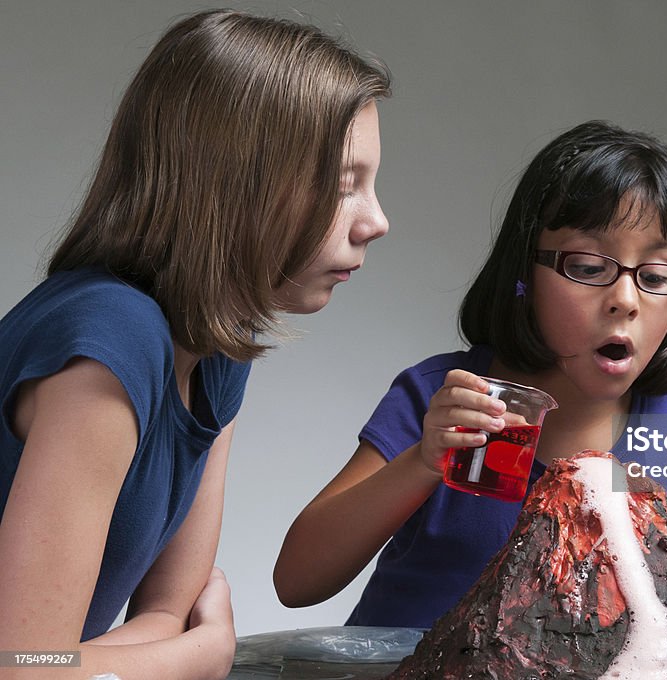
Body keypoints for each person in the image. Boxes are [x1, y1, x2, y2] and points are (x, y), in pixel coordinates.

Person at [0, 10, 390, 679]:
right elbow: (24, 667)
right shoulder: (112, 337)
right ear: (236, 180)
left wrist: (167, 650)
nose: (377, 221)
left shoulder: (217, 350)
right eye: (342, 184)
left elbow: (164, 617)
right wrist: (194, 659)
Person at [275, 120, 667, 627]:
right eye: (588, 268)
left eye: (656, 277)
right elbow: (297, 580)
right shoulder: (442, 399)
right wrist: (424, 459)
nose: (625, 300)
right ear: (524, 275)